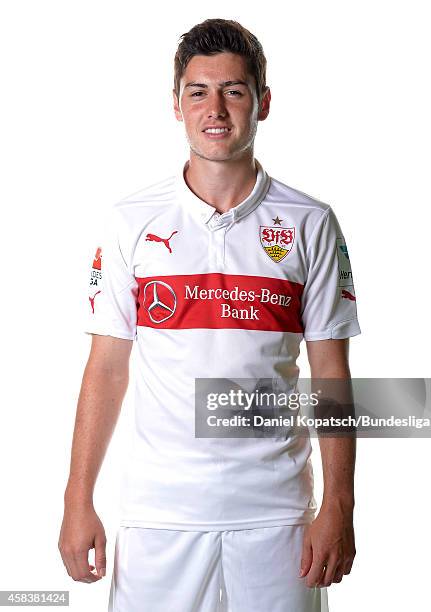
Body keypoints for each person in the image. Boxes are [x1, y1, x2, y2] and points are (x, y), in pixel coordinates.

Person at [58, 18, 360, 612]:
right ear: (177, 104)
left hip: (277, 517)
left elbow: (331, 375)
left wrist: (339, 508)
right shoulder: (131, 221)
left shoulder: (311, 222)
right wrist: (77, 500)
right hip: (158, 514)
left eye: (234, 90)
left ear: (263, 102)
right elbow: (106, 370)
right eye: (198, 91)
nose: (215, 108)